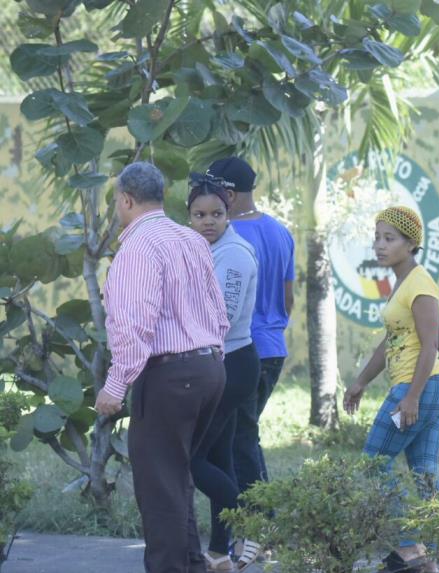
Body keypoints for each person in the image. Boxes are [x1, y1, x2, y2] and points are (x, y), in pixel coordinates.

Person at [94, 162, 229, 573]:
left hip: (170, 375)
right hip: (209, 370)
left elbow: (135, 323)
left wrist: (115, 386)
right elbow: (217, 312)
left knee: (160, 489)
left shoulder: (137, 247)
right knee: (177, 477)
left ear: (126, 200)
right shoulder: (190, 238)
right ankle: (192, 564)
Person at [343, 206, 439, 573]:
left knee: (375, 462)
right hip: (424, 387)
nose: (380, 245)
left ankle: (410, 548)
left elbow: (431, 346)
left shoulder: (421, 285)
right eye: (377, 238)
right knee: (425, 472)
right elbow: (389, 344)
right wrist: (360, 382)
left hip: (421, 386)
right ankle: (432, 554)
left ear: (411, 243)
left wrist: (411, 397)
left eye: (389, 239)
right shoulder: (402, 284)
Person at [206, 157, 295, 493]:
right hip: (273, 349)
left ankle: (259, 526)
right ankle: (254, 524)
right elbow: (289, 300)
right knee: (243, 436)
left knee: (238, 442)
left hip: (242, 350)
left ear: (228, 193)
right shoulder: (280, 232)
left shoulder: (227, 236)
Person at [186, 174, 261, 572]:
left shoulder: (232, 254)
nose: (208, 221)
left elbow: (224, 318)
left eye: (216, 213)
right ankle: (219, 551)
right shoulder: (199, 247)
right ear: (189, 215)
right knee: (220, 458)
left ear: (228, 210)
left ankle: (252, 523)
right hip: (220, 364)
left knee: (189, 458)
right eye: (199, 214)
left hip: (232, 365)